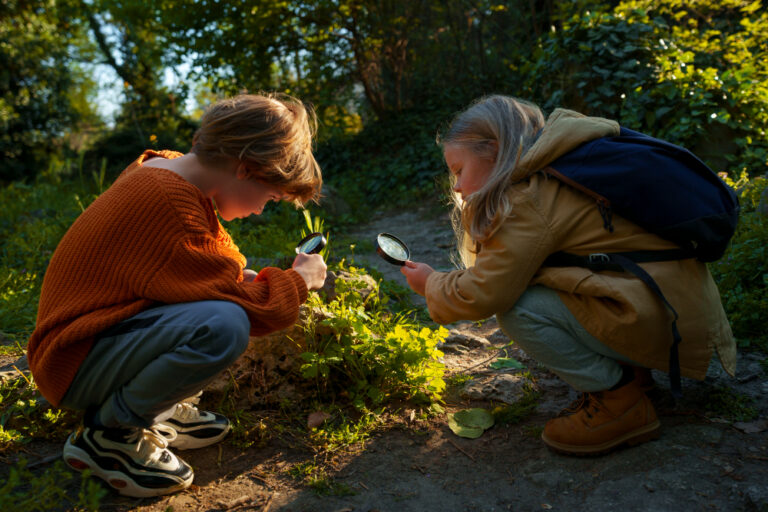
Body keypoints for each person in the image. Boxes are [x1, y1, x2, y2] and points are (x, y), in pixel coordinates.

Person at [26, 93, 327, 497]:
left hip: (84, 347)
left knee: (219, 307)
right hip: (72, 362)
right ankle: (111, 434)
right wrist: (299, 281)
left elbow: (200, 269)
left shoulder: (165, 168)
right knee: (225, 325)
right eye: (270, 197)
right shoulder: (167, 200)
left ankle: (159, 408)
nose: (261, 209)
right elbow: (261, 310)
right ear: (244, 168)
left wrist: (234, 280)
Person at [400, 95, 737, 455]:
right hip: (678, 310)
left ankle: (620, 404)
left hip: (667, 320)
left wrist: (431, 283)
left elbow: (485, 292)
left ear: (495, 151)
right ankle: (633, 374)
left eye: (458, 170)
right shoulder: (567, 161)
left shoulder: (529, 198)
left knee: (519, 310)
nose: (455, 187)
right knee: (545, 279)